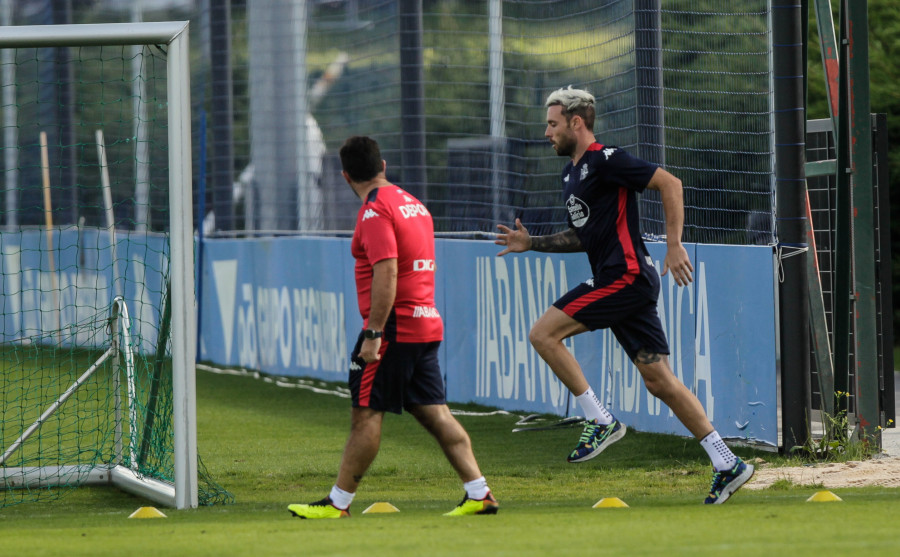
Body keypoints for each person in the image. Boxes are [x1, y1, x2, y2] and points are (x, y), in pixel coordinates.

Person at [495, 86, 754, 504]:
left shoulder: (605, 160)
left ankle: (599, 420)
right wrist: (533, 243)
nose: (547, 132)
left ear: (576, 123)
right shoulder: (570, 174)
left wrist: (674, 244)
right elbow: (585, 236)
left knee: (543, 334)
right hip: (621, 281)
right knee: (659, 380)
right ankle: (727, 462)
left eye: (553, 124)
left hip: (627, 276)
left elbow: (670, 183)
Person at [289, 136, 498, 518]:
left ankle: (338, 503)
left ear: (346, 176)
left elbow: (387, 270)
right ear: (383, 165)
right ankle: (479, 492)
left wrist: (373, 334)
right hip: (425, 322)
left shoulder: (374, 212)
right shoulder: (414, 204)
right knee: (435, 413)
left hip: (394, 328)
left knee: (366, 414)